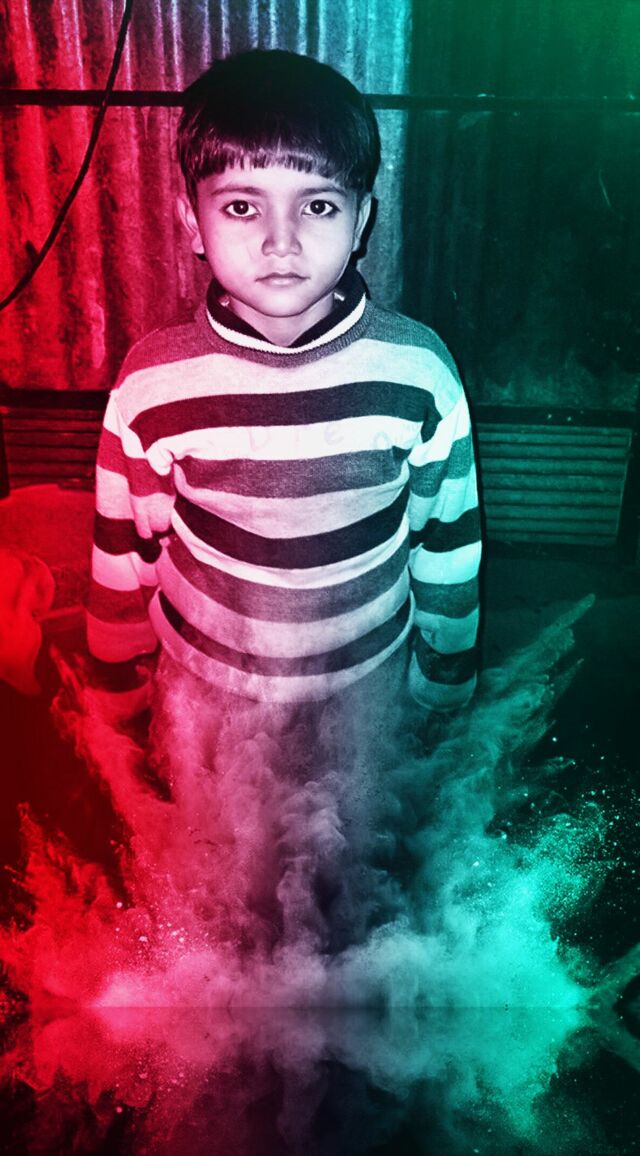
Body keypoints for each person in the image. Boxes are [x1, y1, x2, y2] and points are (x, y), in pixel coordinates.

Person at [85, 50, 482, 948]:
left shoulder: (416, 371)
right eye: (241, 207)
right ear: (191, 221)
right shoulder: (155, 383)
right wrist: (116, 702)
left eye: (318, 207)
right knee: (217, 887)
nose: (281, 242)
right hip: (206, 687)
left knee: (347, 883)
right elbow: (124, 547)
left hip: (362, 684)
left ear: (362, 221)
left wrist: (441, 691)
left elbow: (447, 541)